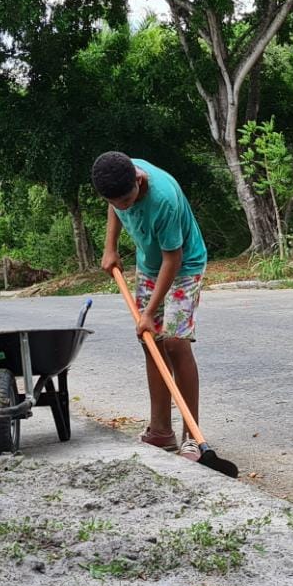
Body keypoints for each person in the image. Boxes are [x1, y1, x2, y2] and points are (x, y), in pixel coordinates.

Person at [92, 152, 208, 461]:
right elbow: (115, 205)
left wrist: (147, 313)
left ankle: (191, 437)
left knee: (175, 342)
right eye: (117, 202)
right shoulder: (117, 176)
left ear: (139, 181)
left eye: (128, 200)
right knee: (150, 342)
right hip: (149, 266)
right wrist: (110, 247)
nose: (124, 207)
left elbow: (174, 260)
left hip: (184, 266)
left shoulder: (164, 200)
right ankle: (160, 431)